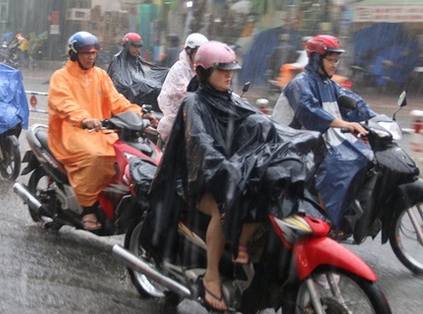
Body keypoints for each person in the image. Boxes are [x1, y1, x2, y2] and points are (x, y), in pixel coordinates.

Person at [140, 41, 324, 311]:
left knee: (268, 193)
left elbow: (267, 127)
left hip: (228, 169)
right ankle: (212, 275)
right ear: (203, 72)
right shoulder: (193, 103)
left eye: (231, 70)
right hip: (192, 177)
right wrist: (227, 169)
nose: (229, 75)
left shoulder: (232, 100)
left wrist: (299, 140)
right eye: (222, 70)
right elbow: (201, 146)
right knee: (224, 205)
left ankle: (242, 243)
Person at [48, 31, 156, 231]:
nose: (90, 56)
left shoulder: (100, 75)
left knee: (124, 156)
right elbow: (63, 102)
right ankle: (88, 207)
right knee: (97, 157)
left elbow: (117, 100)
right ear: (73, 54)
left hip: (100, 130)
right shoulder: (61, 77)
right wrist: (84, 119)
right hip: (72, 130)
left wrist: (140, 113)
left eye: (94, 52)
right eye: (85, 52)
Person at [272, 34, 376, 228]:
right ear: (317, 58)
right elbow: (309, 112)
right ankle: (325, 223)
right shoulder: (300, 84)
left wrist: (377, 120)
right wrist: (345, 125)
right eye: (331, 59)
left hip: (315, 143)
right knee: (333, 169)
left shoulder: (329, 84)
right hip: (292, 146)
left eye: (337, 60)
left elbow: (353, 103)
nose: (335, 64)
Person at [156, 32, 208, 142]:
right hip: (177, 118)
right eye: (198, 54)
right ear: (190, 52)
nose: (200, 58)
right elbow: (186, 92)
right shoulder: (179, 68)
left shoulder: (202, 70)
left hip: (198, 117)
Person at [106, 32, 169, 112]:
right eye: (134, 46)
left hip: (138, 84)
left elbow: (147, 69)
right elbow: (119, 81)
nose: (137, 49)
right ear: (127, 45)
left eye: (139, 47)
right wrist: (139, 84)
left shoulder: (137, 59)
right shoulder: (117, 60)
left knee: (159, 87)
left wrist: (164, 72)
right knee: (148, 89)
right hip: (127, 91)